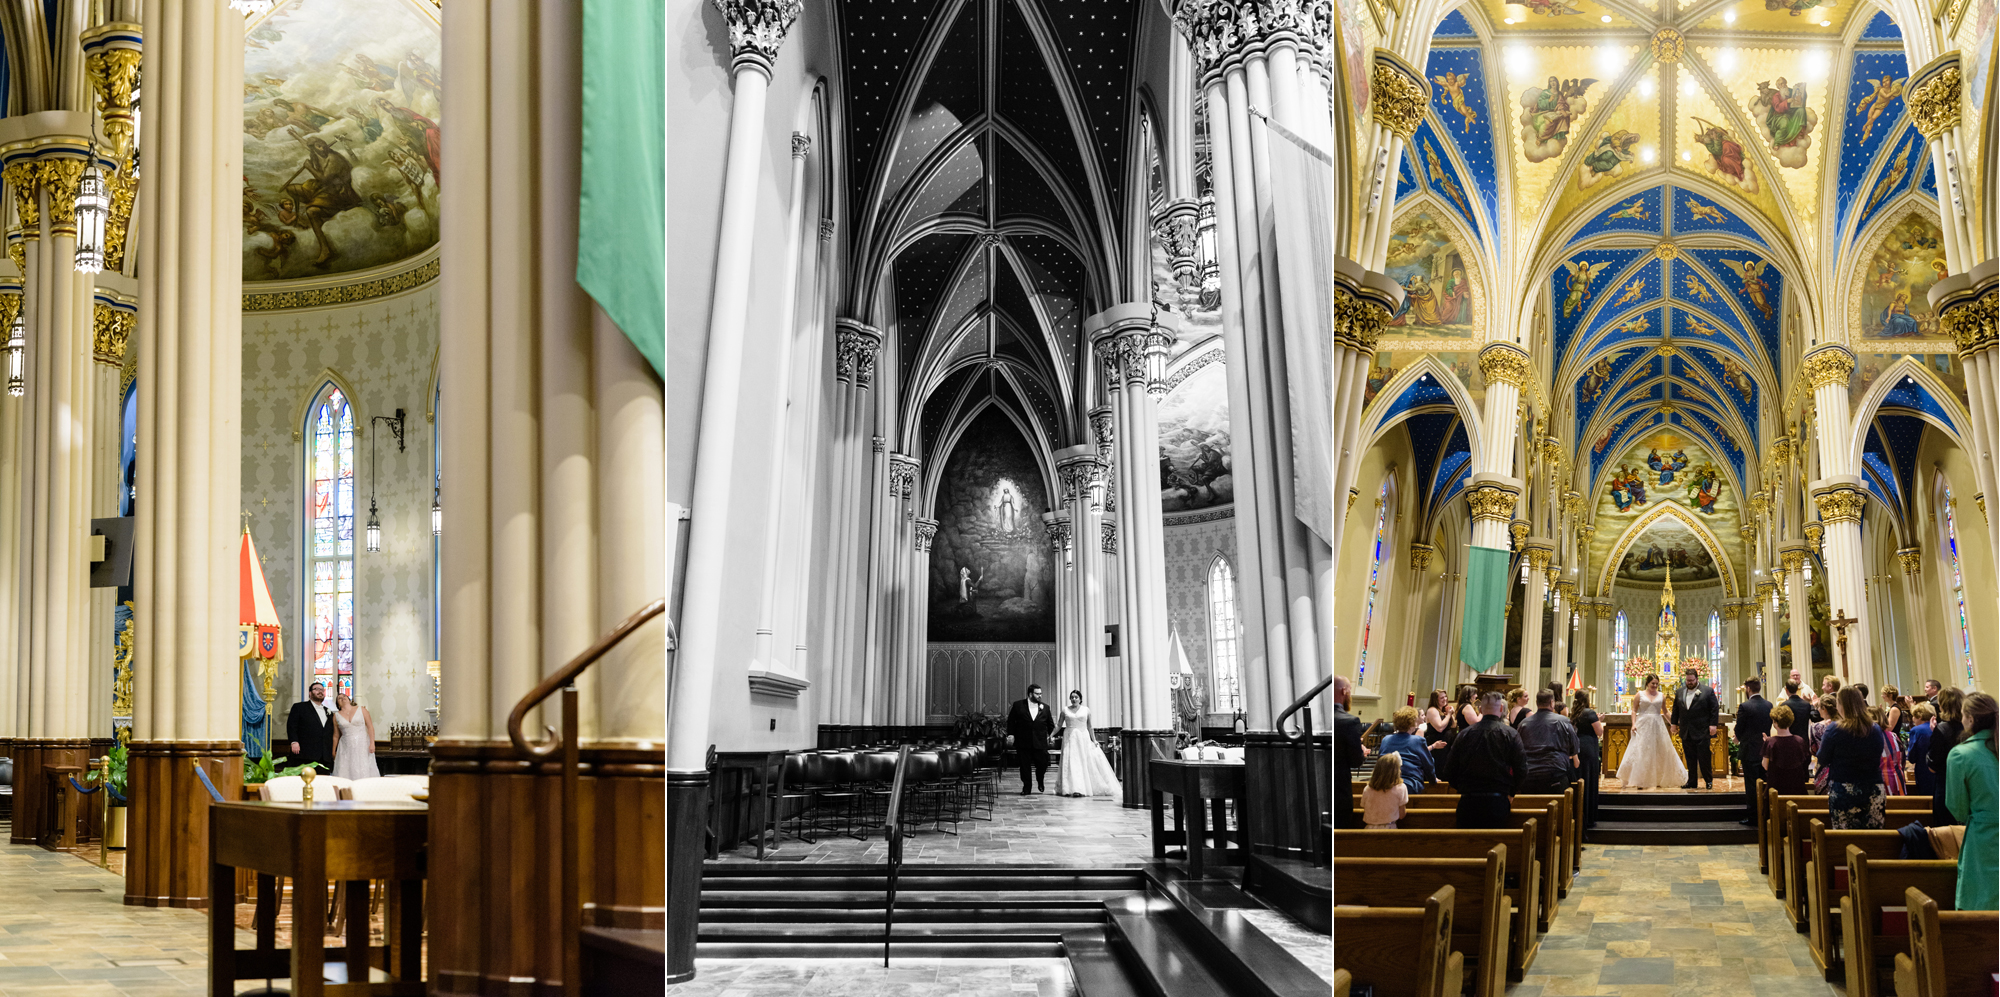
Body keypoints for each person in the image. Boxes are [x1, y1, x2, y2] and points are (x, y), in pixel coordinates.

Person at [1443, 692, 1527, 829]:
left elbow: (1449, 770)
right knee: (1495, 845)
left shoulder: (1465, 734)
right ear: (1501, 709)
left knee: (1466, 844)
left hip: (1469, 801)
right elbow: (1522, 768)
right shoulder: (1510, 734)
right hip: (1498, 800)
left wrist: (1464, 788)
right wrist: (1511, 792)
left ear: (1481, 710)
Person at [1944, 692, 1996, 910]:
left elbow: (1957, 807)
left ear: (1971, 719)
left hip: (1983, 837)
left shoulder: (1961, 755)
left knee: (1982, 903)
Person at [1818, 687, 1886, 830]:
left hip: (1844, 787)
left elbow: (1822, 758)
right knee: (1873, 835)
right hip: (1872, 787)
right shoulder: (1875, 728)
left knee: (1845, 836)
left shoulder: (1835, 729)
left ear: (1841, 705)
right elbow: (1878, 753)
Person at [1617, 673, 1688, 790]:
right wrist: (1633, 724)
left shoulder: (1661, 696)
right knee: (1641, 750)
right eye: (1652, 684)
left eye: (1656, 684)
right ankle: (1640, 779)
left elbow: (1665, 712)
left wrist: (1674, 723)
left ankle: (1659, 778)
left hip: (1657, 724)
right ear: (1647, 683)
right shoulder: (1639, 695)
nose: (1655, 686)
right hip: (1643, 724)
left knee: (1660, 750)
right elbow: (1634, 710)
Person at [1054, 691, 1121, 798]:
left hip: (1082, 737)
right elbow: (1058, 724)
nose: (1074, 699)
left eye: (1076, 697)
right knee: (1071, 761)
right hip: (1069, 738)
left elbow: (1090, 726)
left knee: (1082, 761)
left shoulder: (1086, 710)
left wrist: (1094, 740)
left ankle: (1081, 788)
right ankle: (1070, 787)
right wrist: (1051, 735)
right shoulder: (1065, 710)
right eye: (1072, 697)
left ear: (1080, 699)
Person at [1518, 690, 1579, 795]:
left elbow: (1517, 750)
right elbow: (1574, 747)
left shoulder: (1524, 723)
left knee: (1529, 809)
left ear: (1537, 702)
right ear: (1552, 703)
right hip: (1555, 774)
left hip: (1529, 775)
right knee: (1559, 809)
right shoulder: (1563, 721)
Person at [1671, 667, 1720, 789]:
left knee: (1704, 758)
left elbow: (1714, 708)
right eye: (1687, 680)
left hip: (1702, 730)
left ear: (1697, 679)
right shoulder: (1679, 692)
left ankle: (1708, 781)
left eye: (1692, 680)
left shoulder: (1707, 691)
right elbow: (1675, 709)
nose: (1689, 682)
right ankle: (1692, 782)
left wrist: (1713, 724)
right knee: (1690, 758)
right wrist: (1673, 724)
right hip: (1686, 731)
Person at [1005, 684, 1056, 794]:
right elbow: (1011, 721)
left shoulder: (1045, 707)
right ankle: (1026, 787)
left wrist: (1052, 736)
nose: (1040, 696)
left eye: (1040, 693)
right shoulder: (1018, 705)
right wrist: (1011, 734)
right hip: (1023, 741)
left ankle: (1040, 779)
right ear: (1030, 694)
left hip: (1040, 741)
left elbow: (1050, 724)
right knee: (1024, 766)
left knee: (1042, 764)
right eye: (1037, 694)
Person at [1735, 678, 1773, 824]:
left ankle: (1753, 817)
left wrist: (1738, 737)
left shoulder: (1745, 706)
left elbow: (1739, 727)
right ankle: (1766, 814)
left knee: (1751, 785)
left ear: (1748, 689)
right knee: (1764, 782)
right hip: (1764, 750)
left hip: (1749, 750)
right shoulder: (1769, 705)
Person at [1333, 677, 1369, 828]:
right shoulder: (1349, 721)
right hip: (1339, 790)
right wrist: (1361, 751)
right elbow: (1356, 761)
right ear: (1344, 691)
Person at [1380, 706, 1436, 797]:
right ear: (1412, 723)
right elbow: (1428, 764)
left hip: (1386, 783)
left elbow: (1380, 762)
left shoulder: (1386, 740)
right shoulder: (1418, 741)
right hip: (1409, 785)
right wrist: (1433, 781)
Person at [1928, 687, 1966, 824]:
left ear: (1942, 706)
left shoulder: (1942, 729)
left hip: (1946, 788)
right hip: (1967, 787)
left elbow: (1933, 766)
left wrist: (1935, 732)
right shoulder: (1971, 727)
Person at [285, 681, 336, 770]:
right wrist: (294, 741)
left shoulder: (328, 711)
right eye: (316, 689)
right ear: (310, 693)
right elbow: (292, 725)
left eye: (322, 690)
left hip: (324, 755)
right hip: (305, 754)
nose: (320, 691)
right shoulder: (299, 707)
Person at [1762, 704, 1811, 797]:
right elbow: (1805, 763)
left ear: (1775, 723)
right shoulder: (1800, 740)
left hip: (1776, 789)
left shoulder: (1770, 742)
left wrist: (1767, 745)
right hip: (1797, 789)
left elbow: (1765, 766)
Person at [330, 692, 380, 780]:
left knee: (363, 765)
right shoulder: (336, 716)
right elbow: (336, 735)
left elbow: (370, 727)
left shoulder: (362, 710)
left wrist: (372, 743)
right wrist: (334, 750)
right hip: (345, 745)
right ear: (338, 703)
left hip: (362, 743)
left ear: (349, 699)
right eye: (339, 698)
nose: (342, 698)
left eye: (344, 696)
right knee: (345, 767)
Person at [1572, 690, 1603, 829]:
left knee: (1581, 777)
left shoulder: (1573, 713)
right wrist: (1599, 721)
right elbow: (1599, 732)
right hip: (1589, 747)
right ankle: (1590, 817)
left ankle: (1581, 815)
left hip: (1578, 747)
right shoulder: (1590, 713)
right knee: (1590, 779)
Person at [1363, 753, 1410, 829]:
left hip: (1369, 829)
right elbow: (1402, 815)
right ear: (1397, 771)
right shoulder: (1401, 788)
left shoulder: (1367, 788)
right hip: (1390, 828)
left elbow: (1364, 808)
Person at [1872, 705, 1906, 795]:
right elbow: (1902, 758)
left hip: (1880, 779)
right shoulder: (1893, 735)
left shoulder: (1871, 737)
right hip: (1896, 777)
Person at [1809, 693, 1840, 792]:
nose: (1817, 710)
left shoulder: (1816, 727)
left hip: (1824, 770)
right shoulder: (1844, 725)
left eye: (1819, 707)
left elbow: (1813, 750)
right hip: (1842, 770)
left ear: (1824, 708)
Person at [1909, 703, 1937, 798]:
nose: (1913, 719)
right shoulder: (1938, 727)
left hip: (1923, 771)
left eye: (1914, 716)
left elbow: (1912, 757)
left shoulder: (1916, 730)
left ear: (1919, 717)